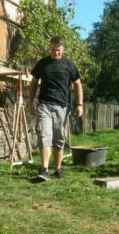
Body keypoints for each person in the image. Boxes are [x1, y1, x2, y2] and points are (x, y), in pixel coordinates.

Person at [28, 36, 83, 181]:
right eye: (53, 50)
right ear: (49, 48)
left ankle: (58, 169)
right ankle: (44, 169)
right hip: (44, 104)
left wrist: (79, 104)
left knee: (59, 138)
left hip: (62, 107)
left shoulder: (69, 65)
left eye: (58, 50)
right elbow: (34, 82)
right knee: (44, 134)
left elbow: (78, 84)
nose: (55, 53)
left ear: (63, 49)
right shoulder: (43, 63)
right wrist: (30, 100)